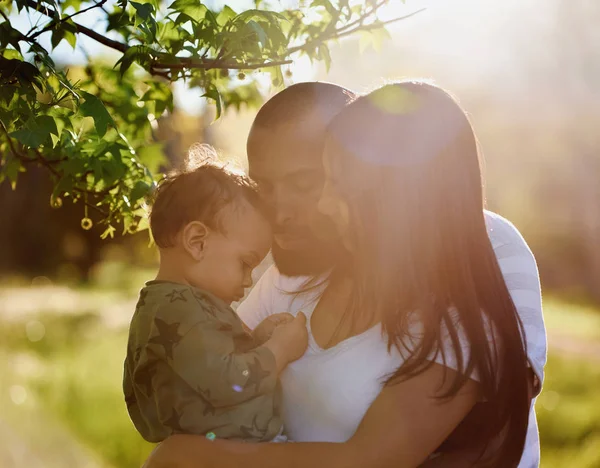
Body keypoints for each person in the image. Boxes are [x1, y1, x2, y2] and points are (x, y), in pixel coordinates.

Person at [143, 81, 546, 467]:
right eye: (263, 186)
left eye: (309, 182)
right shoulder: (280, 268)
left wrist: (189, 455)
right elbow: (209, 379)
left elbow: (460, 443)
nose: (280, 212)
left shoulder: (486, 248)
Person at [123, 153, 308, 443]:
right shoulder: (181, 309)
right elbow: (226, 382)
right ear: (197, 242)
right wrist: (278, 349)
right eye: (245, 263)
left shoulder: (165, 306)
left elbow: (205, 369)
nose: (248, 281)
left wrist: (256, 339)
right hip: (229, 455)